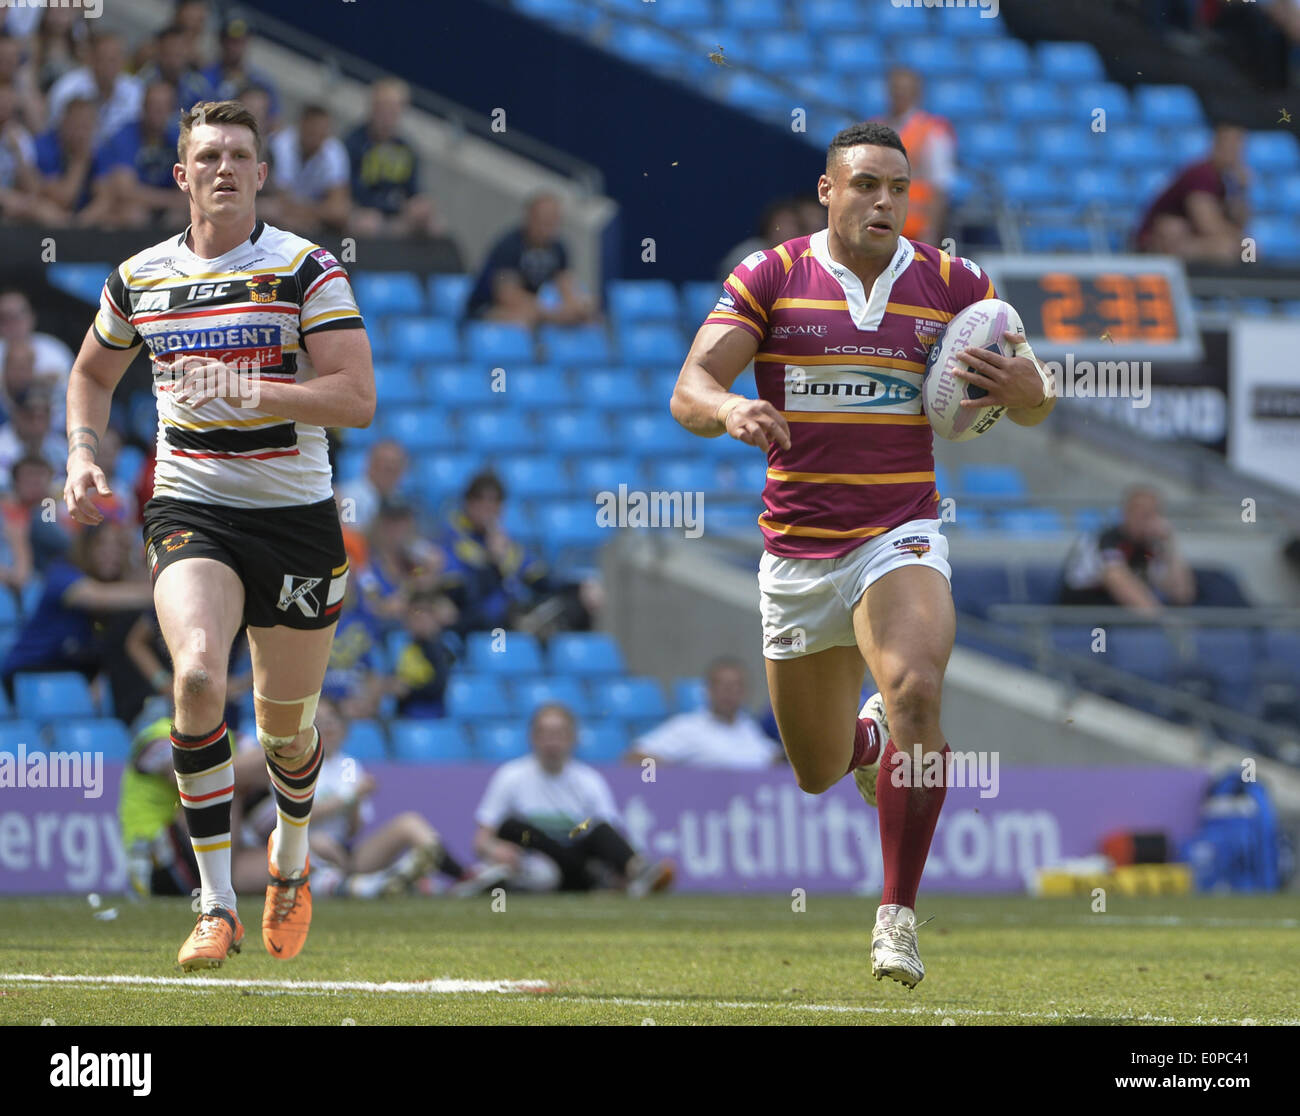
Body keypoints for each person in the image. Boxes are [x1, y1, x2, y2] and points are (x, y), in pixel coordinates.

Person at [669, 121, 1055, 988]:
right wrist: (731, 411)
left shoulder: (958, 285)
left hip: (900, 531)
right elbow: (689, 388)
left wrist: (1035, 391)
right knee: (814, 769)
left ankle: (896, 917)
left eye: (898, 189)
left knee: (917, 686)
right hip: (798, 553)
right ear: (828, 190)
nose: (884, 201)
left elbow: (1028, 393)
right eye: (866, 184)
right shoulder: (770, 276)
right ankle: (869, 746)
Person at [62, 98, 375, 971]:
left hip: (297, 520)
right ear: (182, 174)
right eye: (209, 156)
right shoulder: (138, 277)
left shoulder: (305, 270)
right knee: (197, 677)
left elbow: (355, 399)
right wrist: (83, 454)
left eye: (241, 154)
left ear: (263, 173)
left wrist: (247, 388)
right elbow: (90, 373)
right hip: (191, 507)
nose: (225, 168)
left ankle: (291, 856)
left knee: (284, 732)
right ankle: (215, 904)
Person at [473, 703, 674, 895]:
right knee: (513, 828)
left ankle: (639, 870)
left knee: (600, 829)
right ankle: (600, 880)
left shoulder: (589, 780)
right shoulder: (510, 776)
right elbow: (481, 840)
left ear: (572, 738)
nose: (552, 742)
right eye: (545, 734)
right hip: (534, 860)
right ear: (532, 737)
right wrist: (496, 849)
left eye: (559, 734)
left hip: (578, 856)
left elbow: (609, 834)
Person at [0, 520, 154, 699]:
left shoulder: (117, 586)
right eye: (101, 544)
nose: (111, 553)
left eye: (119, 546)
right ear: (86, 547)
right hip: (30, 671)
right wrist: (163, 593)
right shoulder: (61, 573)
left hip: (75, 672)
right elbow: (99, 597)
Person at [626, 657, 782, 769]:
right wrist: (679, 779)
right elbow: (635, 758)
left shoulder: (750, 728)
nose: (730, 693)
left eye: (736, 687)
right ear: (709, 690)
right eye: (724, 686)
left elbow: (771, 760)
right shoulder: (687, 727)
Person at [1059, 486, 1196, 612]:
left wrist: (1171, 543)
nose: (1149, 521)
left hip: (1122, 620)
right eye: (1143, 515)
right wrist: (1164, 625)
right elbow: (1116, 579)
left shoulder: (1153, 546)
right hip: (1082, 615)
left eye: (1154, 515)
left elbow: (1181, 594)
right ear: (1126, 513)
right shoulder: (1104, 539)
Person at [465, 192, 596, 324]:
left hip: (535, 307)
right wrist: (553, 313)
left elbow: (566, 285)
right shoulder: (509, 246)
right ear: (529, 217)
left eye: (553, 221)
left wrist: (577, 307)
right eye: (543, 220)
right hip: (488, 308)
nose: (548, 227)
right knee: (523, 318)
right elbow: (507, 295)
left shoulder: (559, 248)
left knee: (586, 318)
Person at [1135, 123, 1249, 261]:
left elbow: (1240, 223)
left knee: (1244, 250)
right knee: (1225, 249)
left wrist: (1241, 191)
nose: (1234, 152)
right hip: (1156, 241)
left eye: (1238, 147)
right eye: (1229, 146)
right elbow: (1207, 224)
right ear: (1216, 145)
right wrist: (1239, 240)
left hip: (1188, 237)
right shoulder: (1202, 174)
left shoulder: (1224, 181)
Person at [345, 78, 442, 238]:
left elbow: (414, 191)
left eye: (393, 111)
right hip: (362, 213)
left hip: (395, 215)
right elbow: (346, 191)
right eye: (383, 109)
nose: (387, 117)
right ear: (372, 108)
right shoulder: (354, 143)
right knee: (368, 224)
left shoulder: (406, 149)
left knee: (434, 224)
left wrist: (420, 206)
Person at [873, 68, 956, 248]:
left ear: (917, 93)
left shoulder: (932, 132)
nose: (899, 95)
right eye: (896, 89)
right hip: (877, 224)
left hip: (915, 228)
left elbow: (940, 186)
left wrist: (931, 230)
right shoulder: (873, 127)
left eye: (905, 90)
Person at [46, 30, 142, 146]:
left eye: (114, 60)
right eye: (103, 59)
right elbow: (53, 130)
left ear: (123, 62)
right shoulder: (67, 89)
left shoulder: (136, 92)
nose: (109, 66)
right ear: (91, 60)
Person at [268, 102, 352, 234]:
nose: (317, 137)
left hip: (312, 217)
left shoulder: (334, 150)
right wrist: (319, 211)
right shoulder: (281, 144)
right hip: (283, 214)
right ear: (301, 126)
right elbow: (281, 198)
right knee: (270, 210)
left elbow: (338, 208)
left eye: (322, 132)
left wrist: (307, 215)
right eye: (312, 131)